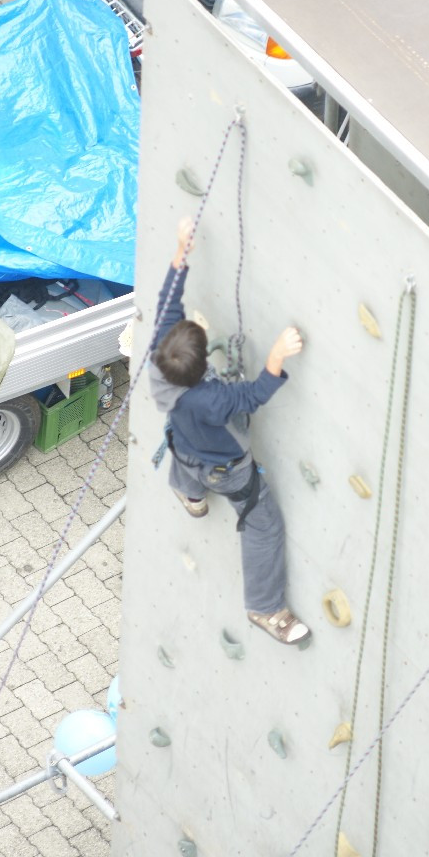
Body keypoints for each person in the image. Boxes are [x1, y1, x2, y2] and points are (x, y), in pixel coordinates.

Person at [148, 218, 310, 646]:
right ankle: (265, 606)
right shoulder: (212, 400)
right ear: (202, 368)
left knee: (185, 457)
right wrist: (277, 355)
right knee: (264, 526)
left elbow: (169, 299)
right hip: (227, 469)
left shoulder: (159, 353)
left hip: (184, 447)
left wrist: (182, 249)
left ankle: (190, 495)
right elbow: (253, 396)